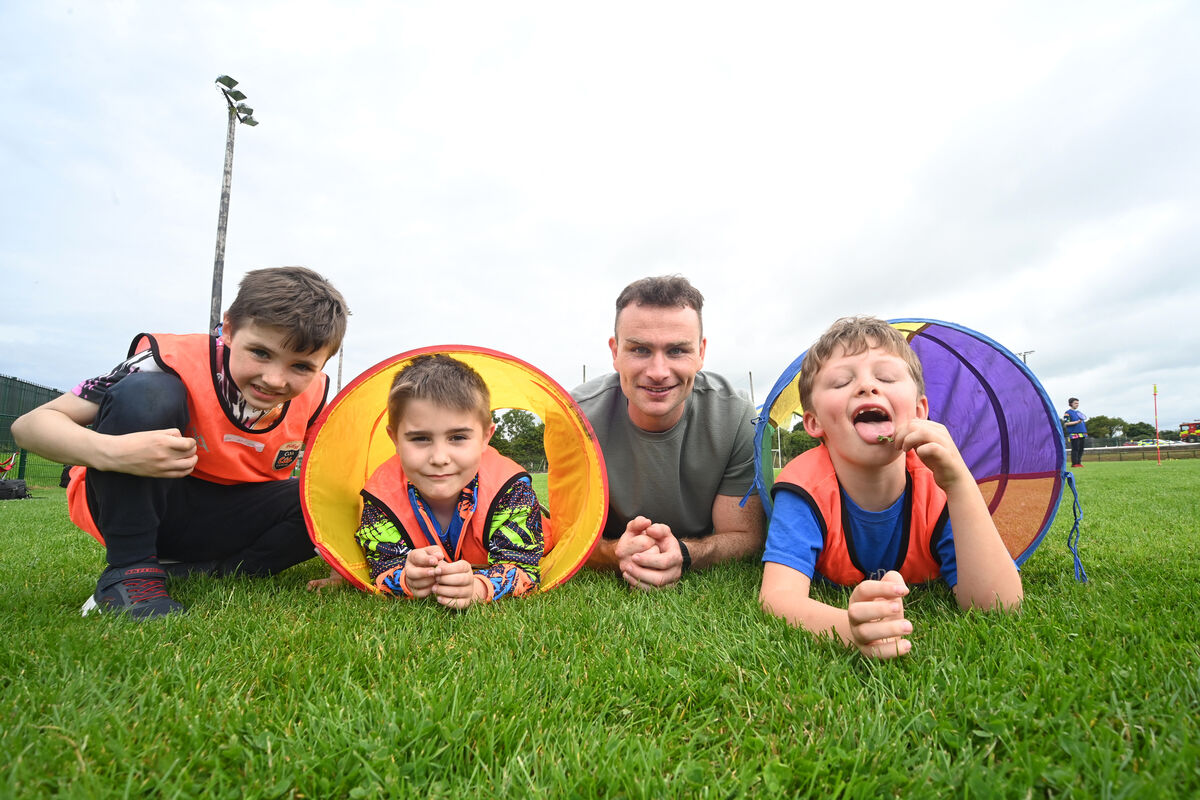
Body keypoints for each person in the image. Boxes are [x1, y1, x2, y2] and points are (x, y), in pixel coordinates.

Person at [12, 266, 349, 620]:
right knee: (149, 394)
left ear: (323, 363)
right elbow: (29, 426)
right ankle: (130, 570)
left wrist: (340, 551)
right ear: (229, 330)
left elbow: (336, 480)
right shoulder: (167, 361)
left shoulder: (318, 397)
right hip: (151, 500)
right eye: (261, 353)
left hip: (230, 517)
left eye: (301, 367)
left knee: (330, 496)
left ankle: (220, 570)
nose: (274, 379)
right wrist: (115, 452)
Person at [759, 316, 1023, 659]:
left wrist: (960, 486)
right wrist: (847, 629)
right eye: (841, 382)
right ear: (814, 422)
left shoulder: (938, 486)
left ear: (919, 412)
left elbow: (1000, 606)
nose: (868, 387)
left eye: (885, 377)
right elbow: (777, 598)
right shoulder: (803, 488)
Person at [571, 275, 764, 591]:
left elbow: (745, 536)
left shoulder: (735, 413)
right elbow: (568, 537)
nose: (658, 372)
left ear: (700, 352)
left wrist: (685, 553)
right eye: (640, 350)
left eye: (677, 350)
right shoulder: (575, 417)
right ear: (615, 351)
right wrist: (614, 553)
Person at [344, 354, 543, 609]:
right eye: (420, 439)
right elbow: (382, 567)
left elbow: (525, 568)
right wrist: (406, 578)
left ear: (485, 437)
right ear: (395, 440)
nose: (439, 458)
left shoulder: (511, 491)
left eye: (458, 437)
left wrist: (480, 587)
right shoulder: (381, 498)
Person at [1062, 397, 1087, 468]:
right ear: (1070, 404)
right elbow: (1066, 423)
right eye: (1075, 403)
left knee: (1081, 449)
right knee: (1075, 448)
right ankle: (1074, 463)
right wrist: (1076, 422)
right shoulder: (1067, 413)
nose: (1077, 405)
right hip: (1074, 433)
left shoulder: (1079, 413)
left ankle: (1079, 462)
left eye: (1078, 403)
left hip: (1082, 433)